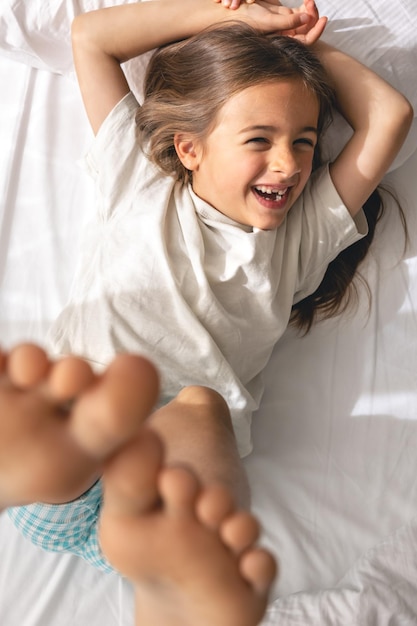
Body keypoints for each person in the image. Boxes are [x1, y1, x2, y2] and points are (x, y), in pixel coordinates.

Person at [7, 0, 413, 623]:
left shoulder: (298, 240)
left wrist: (303, 49)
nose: (290, 164)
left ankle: (183, 576)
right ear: (189, 149)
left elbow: (391, 115)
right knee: (75, 403)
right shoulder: (138, 177)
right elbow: (89, 37)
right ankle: (44, 454)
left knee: (200, 406)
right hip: (68, 453)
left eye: (304, 143)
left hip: (155, 493)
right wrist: (238, 23)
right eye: (261, 139)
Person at [0, 343, 276, 626]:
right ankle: (193, 540)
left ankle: (183, 553)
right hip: (127, 497)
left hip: (56, 508)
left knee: (198, 406)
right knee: (199, 407)